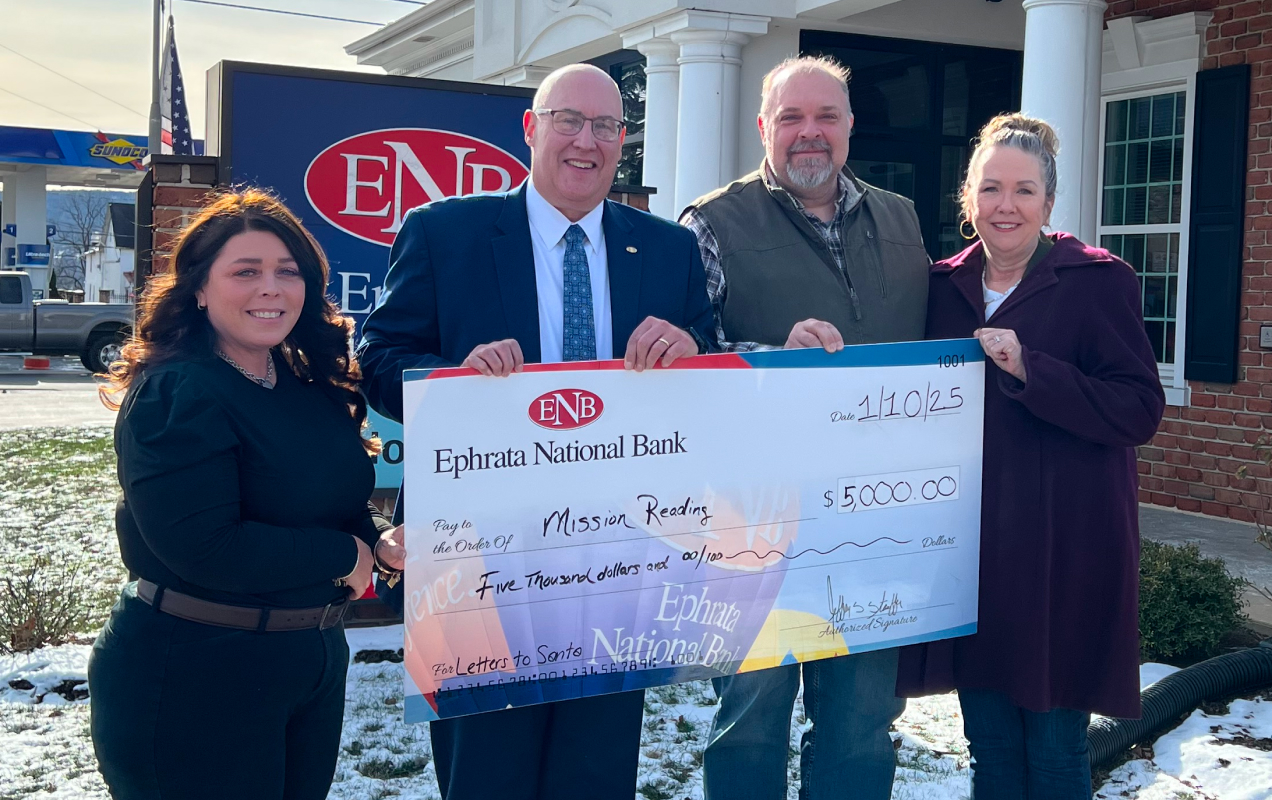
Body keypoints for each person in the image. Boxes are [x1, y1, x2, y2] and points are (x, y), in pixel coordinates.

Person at [357, 63, 716, 800]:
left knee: (595, 770)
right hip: (478, 565)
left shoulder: (668, 249)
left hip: (617, 557)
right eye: (569, 121)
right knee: (485, 772)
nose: (588, 141)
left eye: (607, 127)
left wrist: (691, 352)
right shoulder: (443, 233)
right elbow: (379, 359)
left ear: (623, 142)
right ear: (531, 128)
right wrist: (457, 380)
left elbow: (709, 367)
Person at [88, 190, 403, 800]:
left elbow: (327, 504)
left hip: (308, 662)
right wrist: (341, 557)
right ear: (199, 288)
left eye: (289, 272)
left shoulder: (307, 386)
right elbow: (201, 545)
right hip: (194, 674)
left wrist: (376, 542)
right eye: (246, 271)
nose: (272, 288)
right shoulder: (176, 392)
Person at [680, 55, 931, 800]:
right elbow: (677, 365)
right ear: (764, 127)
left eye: (826, 116)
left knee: (862, 721)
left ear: (850, 127)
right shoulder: (710, 222)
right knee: (752, 717)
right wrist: (765, 357)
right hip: (755, 524)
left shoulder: (902, 217)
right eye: (791, 117)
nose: (809, 133)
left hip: (877, 520)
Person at [896, 114, 1166, 799]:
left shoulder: (1098, 280)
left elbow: (1138, 409)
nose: (1005, 206)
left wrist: (1031, 369)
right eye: (991, 189)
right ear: (969, 200)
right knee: (988, 746)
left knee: (1052, 750)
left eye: (1023, 190)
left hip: (1065, 553)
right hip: (975, 554)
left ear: (1048, 202)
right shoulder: (941, 287)